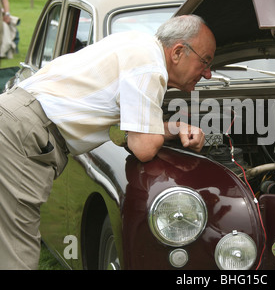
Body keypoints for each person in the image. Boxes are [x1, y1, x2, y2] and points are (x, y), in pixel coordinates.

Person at [0, 14, 215, 269]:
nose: (208, 74)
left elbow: (127, 127)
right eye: (205, 61)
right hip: (24, 135)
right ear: (178, 51)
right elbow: (143, 148)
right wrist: (155, 133)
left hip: (15, 118)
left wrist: (172, 128)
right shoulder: (150, 67)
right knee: (17, 255)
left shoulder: (138, 45)